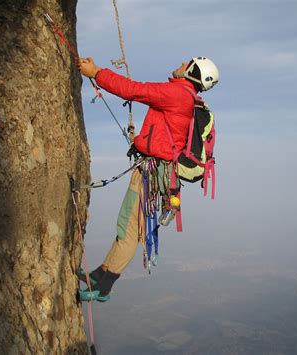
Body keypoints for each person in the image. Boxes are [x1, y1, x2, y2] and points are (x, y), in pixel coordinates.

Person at [77, 56, 219, 302]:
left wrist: (96, 73)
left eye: (187, 63)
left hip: (151, 174)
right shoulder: (187, 98)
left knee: (129, 229)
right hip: (161, 174)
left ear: (192, 71)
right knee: (130, 224)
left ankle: (104, 287)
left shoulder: (177, 93)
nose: (181, 63)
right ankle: (100, 274)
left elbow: (134, 90)